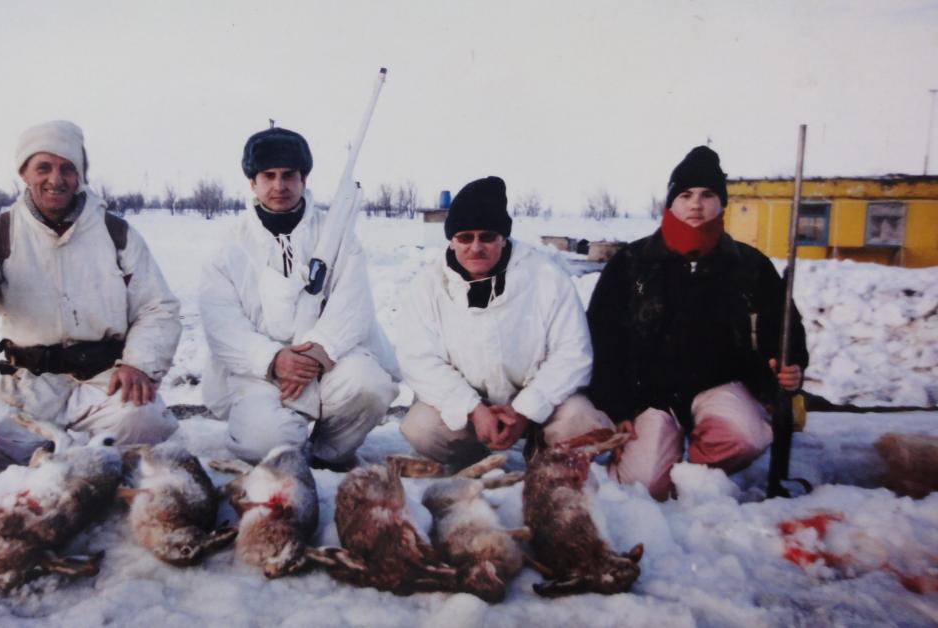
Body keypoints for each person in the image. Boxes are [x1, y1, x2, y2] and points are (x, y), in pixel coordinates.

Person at [0, 120, 181, 471]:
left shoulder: (116, 233)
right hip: (30, 385)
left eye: (67, 168)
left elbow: (157, 306)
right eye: (44, 167)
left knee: (148, 424)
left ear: (80, 175)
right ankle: (72, 467)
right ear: (24, 172)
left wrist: (139, 364)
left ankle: (80, 466)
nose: (56, 179)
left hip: (105, 379)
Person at [586, 145, 808, 500]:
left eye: (707, 194)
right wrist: (616, 406)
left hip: (721, 387)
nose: (696, 204)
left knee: (747, 438)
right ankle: (658, 463)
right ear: (670, 203)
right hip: (650, 397)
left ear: (722, 203)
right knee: (644, 485)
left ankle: (698, 480)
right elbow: (602, 338)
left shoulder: (750, 265)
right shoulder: (631, 263)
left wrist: (788, 366)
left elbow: (784, 330)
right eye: (686, 194)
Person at [199, 126, 399, 469]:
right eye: (268, 176)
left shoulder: (338, 236)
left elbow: (353, 305)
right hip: (258, 373)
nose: (279, 186)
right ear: (252, 182)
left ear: (303, 178)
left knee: (369, 385)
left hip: (325, 363)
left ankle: (327, 456)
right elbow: (221, 324)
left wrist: (316, 355)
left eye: (289, 175)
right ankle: (284, 448)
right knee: (266, 442)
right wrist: (273, 358)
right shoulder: (228, 245)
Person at [397, 176, 611, 468]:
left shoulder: (546, 277)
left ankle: (545, 456)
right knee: (421, 428)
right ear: (451, 239)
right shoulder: (428, 286)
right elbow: (418, 359)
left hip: (540, 405)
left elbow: (573, 354)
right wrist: (472, 409)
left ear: (503, 237)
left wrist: (525, 411)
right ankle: (480, 459)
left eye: (487, 236)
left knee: (581, 424)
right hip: (471, 409)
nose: (476, 247)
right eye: (465, 237)